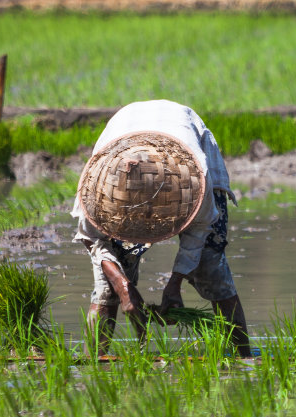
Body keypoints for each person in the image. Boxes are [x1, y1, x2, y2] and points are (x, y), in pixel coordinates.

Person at [73, 99, 251, 358]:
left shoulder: (195, 180)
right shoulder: (96, 190)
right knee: (107, 288)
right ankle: (93, 366)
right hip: (122, 137)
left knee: (211, 266)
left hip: (181, 149)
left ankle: (244, 360)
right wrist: (123, 286)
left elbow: (199, 232)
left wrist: (174, 285)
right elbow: (92, 240)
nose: (147, 217)